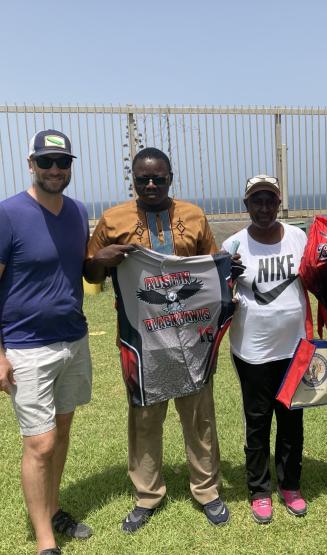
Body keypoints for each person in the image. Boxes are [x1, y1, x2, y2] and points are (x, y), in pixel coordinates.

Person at [84, 147, 230, 531]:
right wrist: (103, 258)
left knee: (199, 415)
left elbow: (210, 274)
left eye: (158, 178)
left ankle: (207, 490)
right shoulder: (112, 220)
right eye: (142, 178)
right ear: (132, 179)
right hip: (140, 337)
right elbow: (91, 274)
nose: (151, 184)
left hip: (190, 336)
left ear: (170, 177)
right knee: (145, 417)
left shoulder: (194, 216)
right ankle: (147, 495)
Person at [0, 130, 93, 555]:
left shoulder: (77, 212)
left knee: (64, 429)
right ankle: (45, 541)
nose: (55, 170)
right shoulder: (8, 214)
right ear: (31, 164)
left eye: (62, 162)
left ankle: (54, 508)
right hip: (26, 345)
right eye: (46, 162)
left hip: (73, 340)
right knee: (40, 443)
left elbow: (83, 271)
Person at [222, 174, 308, 524]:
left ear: (279, 202)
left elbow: (316, 275)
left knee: (292, 420)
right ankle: (259, 489)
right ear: (246, 205)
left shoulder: (298, 237)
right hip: (252, 351)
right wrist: (226, 275)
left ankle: (290, 485)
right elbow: (219, 295)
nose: (263, 208)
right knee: (258, 422)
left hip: (294, 348)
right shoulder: (233, 244)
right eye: (256, 201)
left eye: (270, 200)